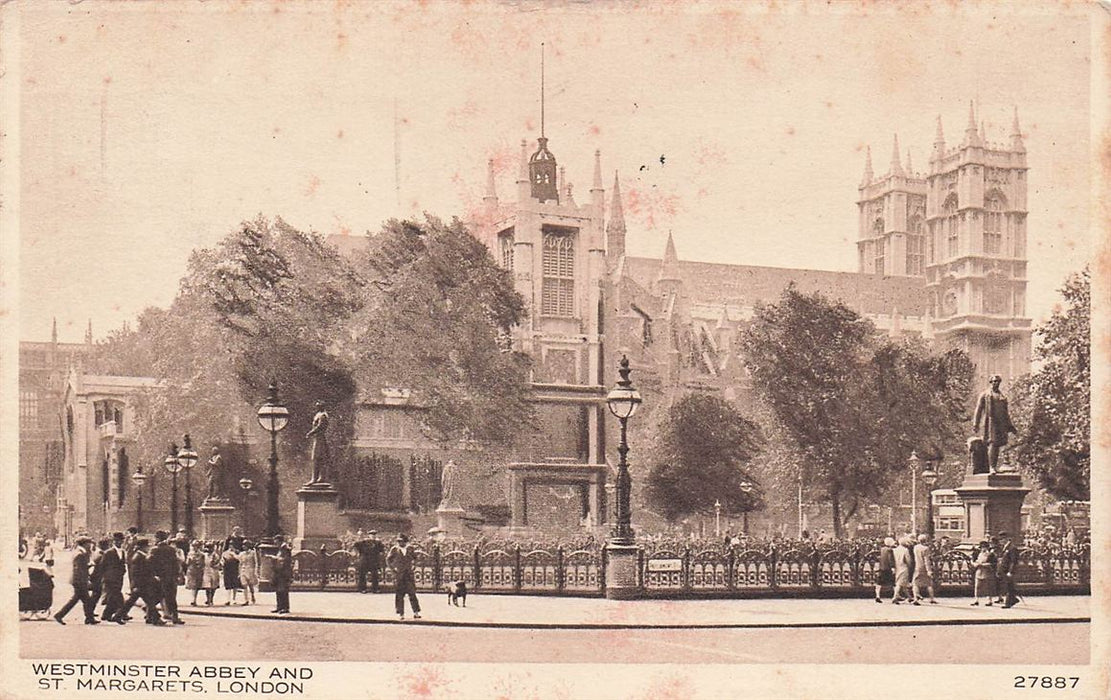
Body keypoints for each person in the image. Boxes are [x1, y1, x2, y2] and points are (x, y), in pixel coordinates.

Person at [973, 375, 1019, 473]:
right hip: (990, 423)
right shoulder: (985, 395)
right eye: (994, 381)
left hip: (1001, 423)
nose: (995, 383)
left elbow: (1006, 413)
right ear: (990, 382)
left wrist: (1010, 427)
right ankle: (991, 467)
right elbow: (978, 410)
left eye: (997, 381)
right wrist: (975, 424)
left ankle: (993, 466)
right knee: (992, 443)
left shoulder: (1002, 396)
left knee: (997, 445)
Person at [54, 536, 97, 625]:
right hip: (79, 580)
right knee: (82, 600)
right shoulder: (80, 554)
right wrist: (86, 578)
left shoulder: (80, 552)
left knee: (82, 600)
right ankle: (59, 615)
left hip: (79, 580)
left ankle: (89, 618)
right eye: (89, 543)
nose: (90, 545)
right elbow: (79, 569)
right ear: (85, 544)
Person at [150, 531, 185, 624]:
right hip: (171, 577)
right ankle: (175, 617)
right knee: (171, 597)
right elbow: (175, 564)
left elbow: (151, 564)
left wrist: (153, 575)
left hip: (159, 577)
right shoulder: (171, 550)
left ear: (157, 538)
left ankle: (149, 614)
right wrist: (177, 575)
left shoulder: (154, 550)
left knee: (157, 596)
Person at [386, 533, 421, 619]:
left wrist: (414, 566)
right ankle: (401, 613)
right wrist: (393, 569)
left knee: (412, 593)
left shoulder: (410, 549)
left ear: (405, 542)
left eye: (401, 541)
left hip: (408, 574)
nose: (399, 543)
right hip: (399, 575)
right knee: (399, 594)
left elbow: (415, 558)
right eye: (398, 541)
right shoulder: (394, 549)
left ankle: (416, 612)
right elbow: (388, 559)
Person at [99, 532, 127, 622]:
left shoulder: (122, 552)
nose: (119, 542)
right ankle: (121, 614)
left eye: (121, 541)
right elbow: (102, 566)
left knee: (112, 597)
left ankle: (106, 614)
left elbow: (122, 564)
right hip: (110, 578)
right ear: (113, 541)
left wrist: (123, 571)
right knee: (117, 596)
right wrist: (104, 577)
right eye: (117, 541)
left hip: (119, 578)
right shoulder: (108, 552)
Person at [266, 535, 292, 614]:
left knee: (283, 590)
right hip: (278, 572)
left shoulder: (285, 549)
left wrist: (273, 558)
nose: (275, 543)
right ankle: (279, 607)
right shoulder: (281, 549)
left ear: (280, 541)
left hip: (283, 572)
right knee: (278, 590)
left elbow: (286, 560)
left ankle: (285, 608)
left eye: (276, 541)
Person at [306, 401, 331, 484]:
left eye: (318, 406)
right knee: (317, 458)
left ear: (322, 406)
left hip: (320, 438)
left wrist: (310, 433)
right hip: (317, 438)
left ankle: (318, 478)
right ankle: (317, 477)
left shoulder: (323, 415)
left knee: (318, 457)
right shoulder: (319, 414)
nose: (317, 407)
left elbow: (320, 426)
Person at [911, 534, 938, 604]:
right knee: (929, 583)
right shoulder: (926, 548)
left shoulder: (915, 547)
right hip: (924, 567)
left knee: (915, 583)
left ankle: (915, 598)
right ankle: (932, 598)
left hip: (917, 566)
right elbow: (927, 560)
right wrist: (929, 570)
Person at [996, 531, 1020, 608]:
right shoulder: (1005, 547)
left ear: (1006, 539)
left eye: (1002, 539)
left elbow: (1013, 561)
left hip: (1008, 571)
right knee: (1008, 586)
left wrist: (1010, 571)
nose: (1000, 541)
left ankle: (1008, 603)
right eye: (1000, 540)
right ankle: (1013, 599)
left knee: (1008, 586)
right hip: (1003, 570)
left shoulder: (1012, 548)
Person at [970, 540, 997, 606]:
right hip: (979, 571)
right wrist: (975, 564)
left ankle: (989, 600)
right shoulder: (977, 554)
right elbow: (973, 561)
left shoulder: (991, 555)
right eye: (982, 547)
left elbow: (993, 563)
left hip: (987, 571)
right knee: (977, 586)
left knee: (988, 586)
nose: (983, 549)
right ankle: (976, 600)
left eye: (985, 547)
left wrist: (985, 564)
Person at [875, 536, 896, 603]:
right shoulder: (890, 550)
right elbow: (890, 559)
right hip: (888, 568)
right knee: (894, 583)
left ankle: (877, 596)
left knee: (879, 583)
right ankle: (895, 597)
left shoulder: (882, 549)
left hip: (882, 567)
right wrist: (893, 567)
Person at [238, 540, 259, 606]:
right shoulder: (241, 554)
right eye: (243, 545)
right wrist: (239, 572)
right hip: (243, 570)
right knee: (244, 585)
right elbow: (240, 563)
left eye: (245, 545)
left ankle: (252, 596)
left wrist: (255, 571)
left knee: (250, 585)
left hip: (250, 570)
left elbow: (256, 562)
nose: (243, 546)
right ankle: (246, 600)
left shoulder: (253, 553)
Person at [892, 536, 913, 604]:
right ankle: (895, 597)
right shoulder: (905, 550)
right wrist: (910, 566)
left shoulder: (895, 550)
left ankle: (909, 597)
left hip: (897, 567)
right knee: (900, 583)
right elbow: (908, 560)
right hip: (903, 567)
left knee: (902, 582)